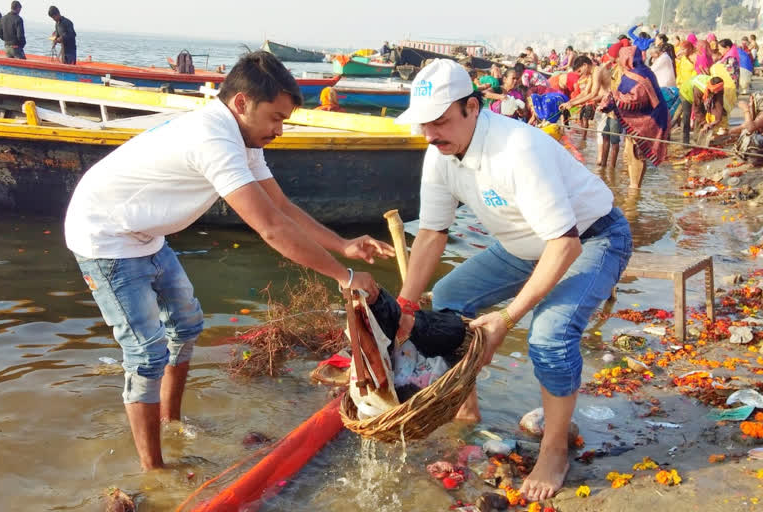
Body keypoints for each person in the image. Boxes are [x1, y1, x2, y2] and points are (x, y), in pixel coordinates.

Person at [63, 51, 394, 471]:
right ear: (241, 103)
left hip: (144, 233)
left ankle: (171, 420)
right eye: (275, 118)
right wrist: (344, 276)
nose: (279, 130)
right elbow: (270, 229)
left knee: (186, 326)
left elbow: (280, 207)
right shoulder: (213, 139)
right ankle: (155, 471)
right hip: (105, 236)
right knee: (146, 354)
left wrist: (343, 245)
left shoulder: (243, 137)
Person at [393, 58, 632, 501]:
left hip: (592, 238)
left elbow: (565, 245)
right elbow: (431, 234)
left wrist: (506, 317)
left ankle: (555, 447)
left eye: (441, 121)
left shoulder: (518, 148)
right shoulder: (439, 156)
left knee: (549, 334)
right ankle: (464, 404)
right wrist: (405, 311)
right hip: (524, 246)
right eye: (424, 125)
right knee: (446, 297)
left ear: (473, 107)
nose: (431, 135)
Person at [599, 45, 669, 188]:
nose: (618, 60)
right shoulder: (634, 72)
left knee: (637, 154)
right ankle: (633, 187)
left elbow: (636, 99)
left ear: (627, 59)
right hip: (641, 118)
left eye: (621, 57)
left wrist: (614, 97)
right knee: (630, 153)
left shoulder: (640, 75)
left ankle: (635, 189)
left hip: (649, 119)